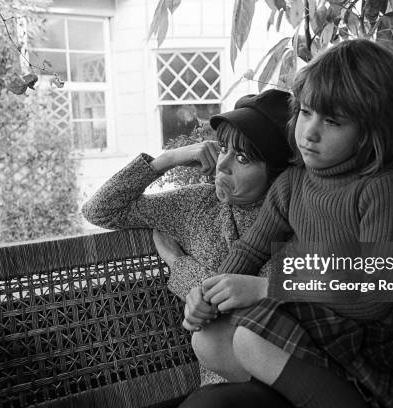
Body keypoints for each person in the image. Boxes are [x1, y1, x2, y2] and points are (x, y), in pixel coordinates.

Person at [186, 39, 393, 408]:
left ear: (372, 130)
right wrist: (207, 295)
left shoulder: (384, 188)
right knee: (207, 338)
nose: (309, 132)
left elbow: (374, 296)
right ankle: (320, 394)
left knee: (250, 339)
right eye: (306, 112)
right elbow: (250, 248)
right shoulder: (292, 183)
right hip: (322, 320)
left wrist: (267, 287)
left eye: (332, 121)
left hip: (380, 334)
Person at [81, 89, 295, 389]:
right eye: (223, 148)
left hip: (283, 382)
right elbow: (100, 211)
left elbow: (245, 308)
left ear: (276, 174)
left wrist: (179, 265)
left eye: (243, 158)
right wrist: (167, 160)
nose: (223, 164)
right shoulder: (196, 205)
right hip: (219, 384)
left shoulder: (295, 221)